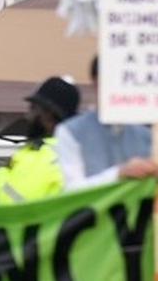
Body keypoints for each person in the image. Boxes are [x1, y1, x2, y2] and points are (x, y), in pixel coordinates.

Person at [54, 56, 156, 189]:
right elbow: (71, 188)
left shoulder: (147, 134)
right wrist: (119, 173)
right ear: (95, 82)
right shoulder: (71, 131)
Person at [0, 77, 81, 202]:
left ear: (48, 116)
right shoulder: (76, 152)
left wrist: (4, 171)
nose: (27, 116)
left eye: (33, 108)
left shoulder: (42, 156)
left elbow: (9, 203)